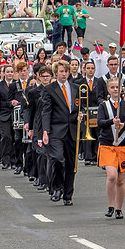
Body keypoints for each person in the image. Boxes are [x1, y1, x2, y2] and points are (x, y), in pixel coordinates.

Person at [96, 78, 125, 220]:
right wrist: (111, 122)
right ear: (108, 90)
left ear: (121, 89)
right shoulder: (104, 106)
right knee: (112, 175)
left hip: (123, 145)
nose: (115, 89)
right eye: (112, 87)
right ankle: (110, 205)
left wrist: (124, 124)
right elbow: (99, 122)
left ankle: (119, 208)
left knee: (120, 179)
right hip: (108, 144)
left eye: (117, 87)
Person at [41, 60, 79, 205]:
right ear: (56, 72)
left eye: (66, 71)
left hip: (72, 130)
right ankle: (57, 187)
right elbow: (46, 111)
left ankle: (68, 195)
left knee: (71, 163)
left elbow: (78, 106)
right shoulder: (49, 89)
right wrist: (45, 130)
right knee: (57, 158)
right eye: (61, 71)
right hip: (56, 130)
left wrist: (80, 114)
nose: (64, 74)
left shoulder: (75, 88)